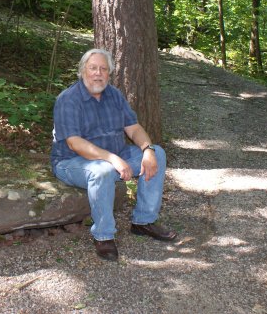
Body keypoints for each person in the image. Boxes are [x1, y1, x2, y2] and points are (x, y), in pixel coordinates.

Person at [50, 48, 177, 261]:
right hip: (71, 162)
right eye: (93, 68)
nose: (98, 73)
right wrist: (111, 158)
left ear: (109, 73)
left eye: (103, 69)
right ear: (82, 71)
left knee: (158, 153)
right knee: (103, 171)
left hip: (115, 155)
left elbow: (134, 129)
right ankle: (103, 235)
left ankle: (143, 221)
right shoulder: (68, 99)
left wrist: (147, 149)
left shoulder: (114, 95)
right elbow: (75, 143)